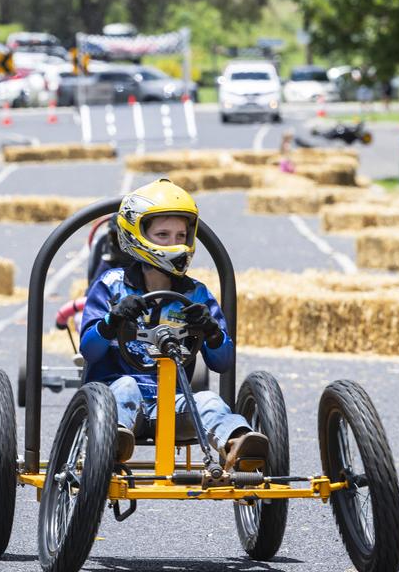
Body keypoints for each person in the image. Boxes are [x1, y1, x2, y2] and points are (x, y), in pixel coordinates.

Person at [79, 180, 268, 470]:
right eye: (163, 235)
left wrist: (212, 332)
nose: (176, 244)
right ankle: (113, 439)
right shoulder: (111, 286)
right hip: (109, 402)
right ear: (137, 235)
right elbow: (89, 351)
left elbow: (223, 362)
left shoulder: (196, 295)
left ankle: (238, 442)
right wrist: (113, 319)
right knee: (127, 386)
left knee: (207, 400)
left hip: (172, 404)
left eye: (181, 235)